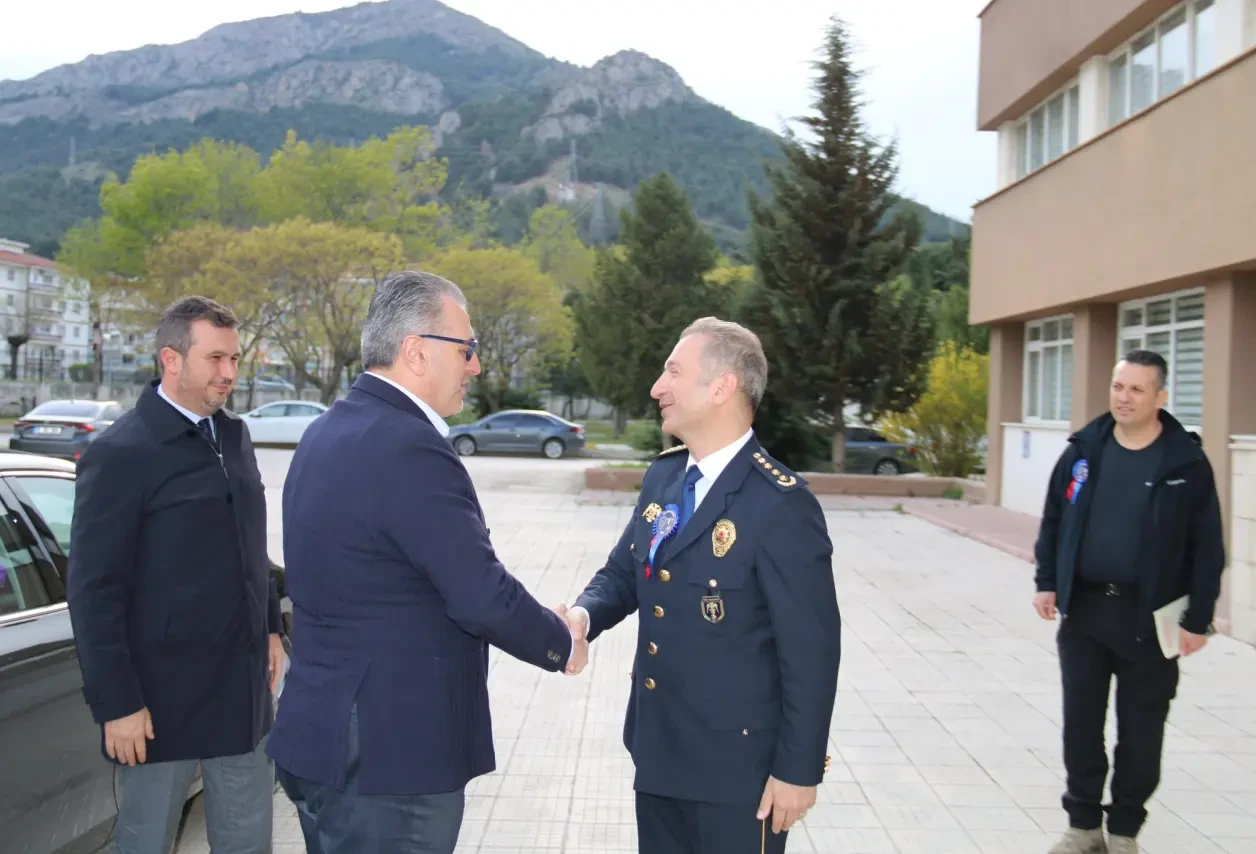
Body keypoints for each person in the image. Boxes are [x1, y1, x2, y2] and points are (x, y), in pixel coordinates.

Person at [268, 270, 586, 853]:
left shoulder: (326, 432)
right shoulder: (408, 445)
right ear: (415, 351)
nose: (476, 367)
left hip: (325, 738)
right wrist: (560, 641)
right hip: (390, 761)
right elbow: (478, 593)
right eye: (466, 349)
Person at [560, 317, 841, 854]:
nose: (656, 388)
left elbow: (812, 651)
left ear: (721, 387)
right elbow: (626, 572)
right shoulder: (665, 478)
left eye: (672, 373)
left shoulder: (781, 503)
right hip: (660, 752)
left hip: (739, 775)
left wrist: (799, 770)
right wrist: (582, 616)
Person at [66, 296, 285, 854]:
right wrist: (116, 703)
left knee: (248, 843)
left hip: (242, 696)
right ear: (171, 359)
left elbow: (249, 546)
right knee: (145, 843)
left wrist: (269, 625)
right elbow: (93, 592)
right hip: (157, 706)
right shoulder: (120, 453)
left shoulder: (234, 437)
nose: (230, 373)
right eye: (215, 358)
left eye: (235, 359)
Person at [1032, 349, 1225, 854]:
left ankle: (1123, 833)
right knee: (1081, 726)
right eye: (1119, 387)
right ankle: (1082, 827)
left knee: (1141, 734)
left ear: (1161, 397)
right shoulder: (1084, 450)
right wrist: (1047, 580)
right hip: (1087, 614)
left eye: (1137, 389)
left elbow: (1208, 546)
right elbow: (1054, 519)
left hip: (1150, 621)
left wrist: (1198, 619)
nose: (1124, 397)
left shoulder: (1185, 462)